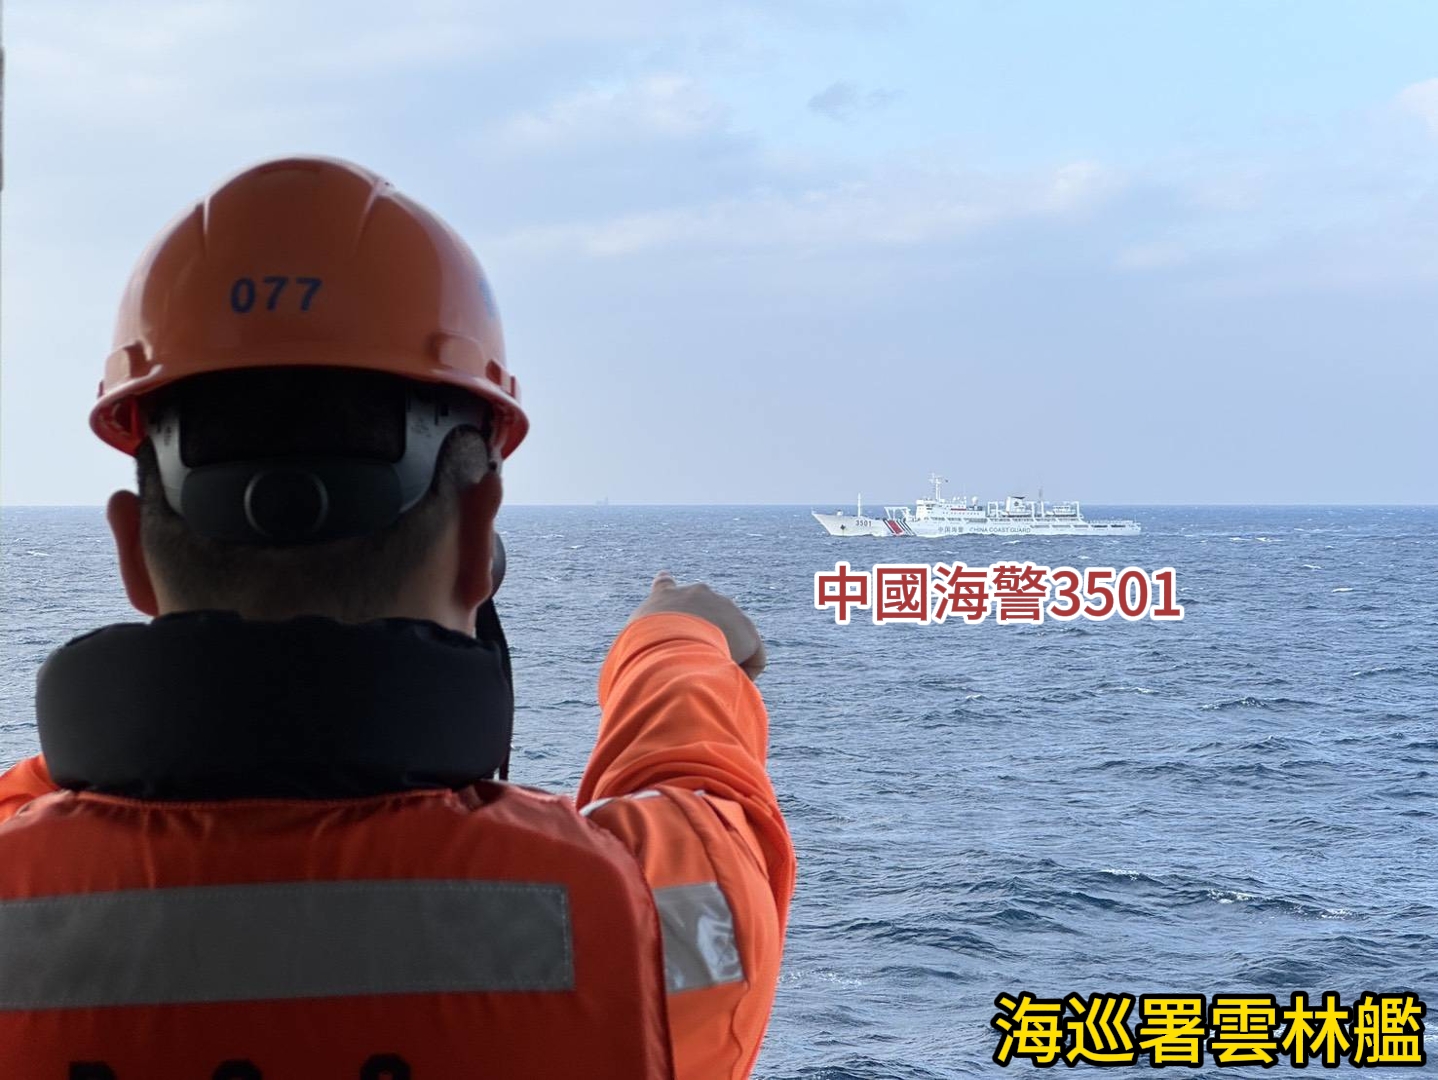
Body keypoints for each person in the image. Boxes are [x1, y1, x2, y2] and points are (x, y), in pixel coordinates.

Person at [0, 156, 795, 1079]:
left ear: (133, 551)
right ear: (478, 540)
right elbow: (715, 819)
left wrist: (144, 733)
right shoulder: (639, 915)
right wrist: (675, 642)